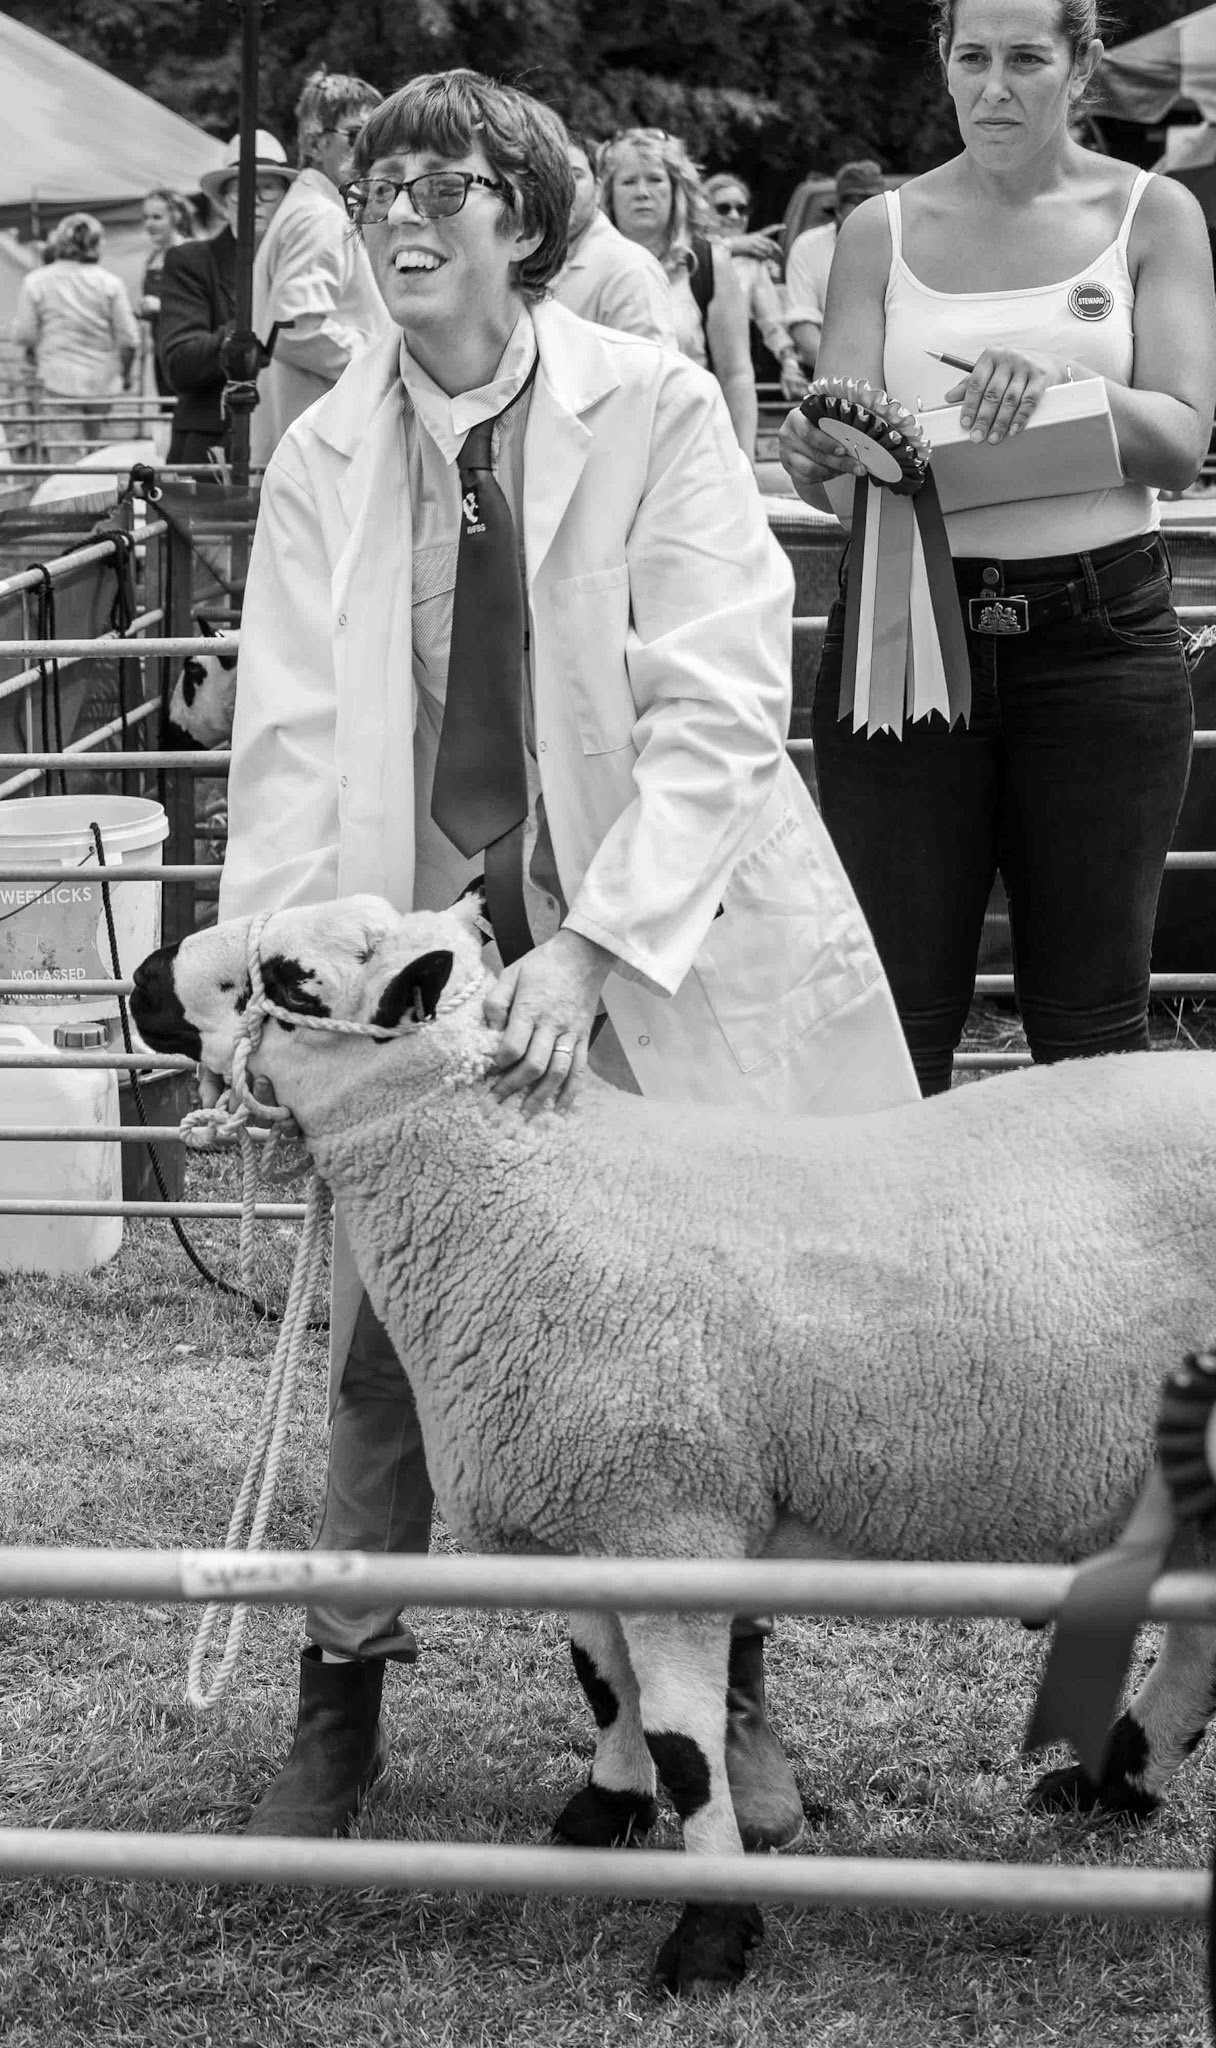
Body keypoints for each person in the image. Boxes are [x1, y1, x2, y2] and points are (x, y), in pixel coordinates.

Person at [218, 67, 917, 1848]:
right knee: (394, 1336)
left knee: (687, 1342)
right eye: (382, 187)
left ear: (521, 223)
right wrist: (272, 1017)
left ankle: (717, 1704)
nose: (400, 217)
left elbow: (715, 699)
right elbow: (295, 741)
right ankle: (340, 1689)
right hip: (427, 937)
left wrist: (593, 947)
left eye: (443, 187)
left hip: (638, 918)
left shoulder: (656, 405)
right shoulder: (323, 448)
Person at [778, 0, 1216, 1095]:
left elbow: (1177, 444)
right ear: (940, 64)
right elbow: (844, 474)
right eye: (971, 57)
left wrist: (1071, 383)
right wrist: (803, 451)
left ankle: (1088, 1268)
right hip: (905, 638)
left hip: (1099, 647)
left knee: (1090, 1024)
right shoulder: (876, 229)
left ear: (1079, 67)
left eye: (1026, 58)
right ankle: (897, 1265)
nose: (994, 86)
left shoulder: (1153, 214)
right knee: (894, 1015)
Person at [250, 69, 391, 465]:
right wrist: (385, 363)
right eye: (357, 135)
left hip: (312, 443)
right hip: (320, 449)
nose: (370, 150)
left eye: (378, 137)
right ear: (315, 142)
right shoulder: (318, 217)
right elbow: (296, 329)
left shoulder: (314, 208)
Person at [597, 128, 758, 462]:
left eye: (655, 179)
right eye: (628, 182)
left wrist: (744, 464)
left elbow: (736, 374)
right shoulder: (586, 264)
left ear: (676, 189)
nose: (642, 192)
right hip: (607, 450)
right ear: (608, 194)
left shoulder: (709, 263)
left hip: (694, 450)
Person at [158, 134, 297, 465]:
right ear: (223, 201)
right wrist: (255, 323)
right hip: (213, 450)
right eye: (241, 190)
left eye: (268, 188)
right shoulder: (191, 261)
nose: (255, 200)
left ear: (286, 197)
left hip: (292, 442)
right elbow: (180, 364)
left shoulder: (303, 262)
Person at [11, 213, 140, 460]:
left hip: (58, 378)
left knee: (66, 457)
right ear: (97, 243)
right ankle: (98, 497)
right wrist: (124, 375)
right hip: (102, 380)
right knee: (98, 456)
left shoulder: (36, 281)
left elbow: (26, 334)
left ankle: (70, 497)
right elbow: (129, 339)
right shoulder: (110, 283)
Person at [549, 132, 675, 344]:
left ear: (598, 190)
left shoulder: (632, 269)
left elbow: (647, 372)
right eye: (550, 175)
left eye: (575, 175)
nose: (563, 187)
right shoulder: (521, 261)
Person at [704, 172, 809, 400]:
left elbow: (772, 322)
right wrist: (731, 245)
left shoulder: (751, 264)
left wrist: (790, 364)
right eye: (723, 208)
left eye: (741, 209)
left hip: (729, 373)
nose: (734, 216)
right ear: (703, 211)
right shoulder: (682, 253)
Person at [784, 158, 887, 373]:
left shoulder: (904, 244)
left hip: (893, 369)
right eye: (857, 202)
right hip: (833, 373)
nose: (866, 210)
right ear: (838, 208)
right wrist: (843, 375)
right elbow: (803, 324)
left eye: (874, 202)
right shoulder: (808, 247)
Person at [136, 188, 195, 400]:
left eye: (157, 217)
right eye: (146, 217)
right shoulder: (154, 257)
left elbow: (201, 306)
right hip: (162, 349)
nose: (149, 224)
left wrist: (160, 307)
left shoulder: (191, 253)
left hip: (186, 350)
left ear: (176, 217)